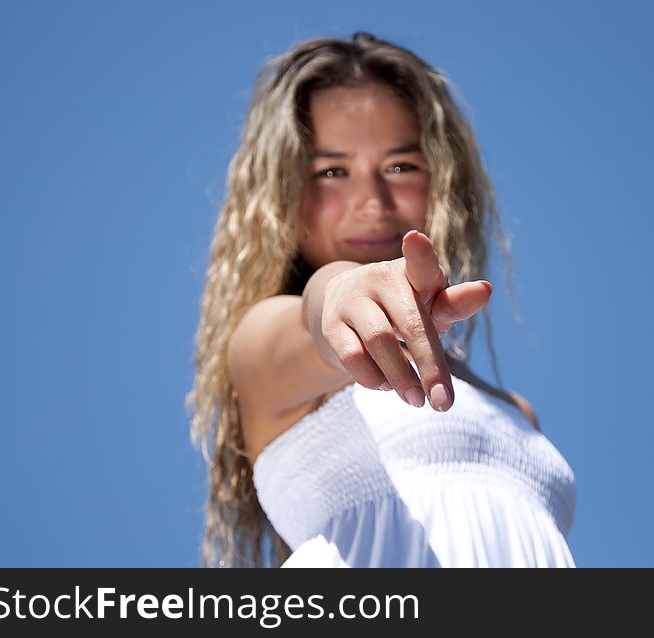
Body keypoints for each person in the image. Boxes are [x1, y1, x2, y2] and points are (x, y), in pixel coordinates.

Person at [186, 31, 576, 567]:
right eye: (331, 171)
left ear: (442, 180)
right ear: (283, 196)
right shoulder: (263, 345)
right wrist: (343, 289)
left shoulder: (518, 414)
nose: (372, 200)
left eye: (400, 166)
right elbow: (321, 313)